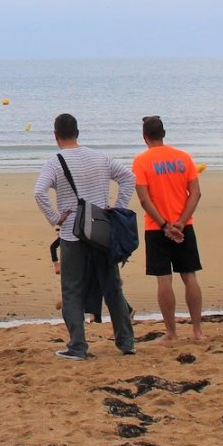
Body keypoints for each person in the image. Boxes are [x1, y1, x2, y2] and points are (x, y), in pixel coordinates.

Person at [34, 112, 136, 360]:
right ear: (78, 133)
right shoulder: (100, 157)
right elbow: (128, 177)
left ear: (56, 135)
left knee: (72, 290)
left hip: (72, 233)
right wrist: (117, 206)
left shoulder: (55, 161)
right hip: (102, 232)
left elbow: (39, 192)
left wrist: (55, 218)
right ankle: (126, 342)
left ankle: (78, 346)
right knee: (112, 286)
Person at [132, 115, 206, 342]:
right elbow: (195, 193)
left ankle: (171, 332)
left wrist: (165, 225)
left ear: (145, 137)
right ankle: (197, 331)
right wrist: (181, 222)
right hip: (183, 226)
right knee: (189, 276)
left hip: (157, 227)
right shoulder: (183, 158)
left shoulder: (141, 161)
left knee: (164, 279)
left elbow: (144, 200)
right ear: (163, 133)